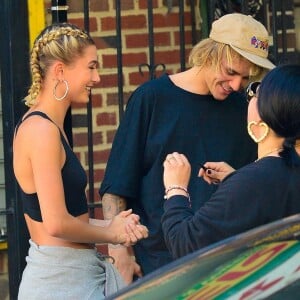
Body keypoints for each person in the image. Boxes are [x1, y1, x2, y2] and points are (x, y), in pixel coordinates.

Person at [99, 13, 275, 281]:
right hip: (159, 266)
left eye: (245, 77)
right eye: (230, 72)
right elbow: (117, 187)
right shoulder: (152, 99)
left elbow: (255, 189)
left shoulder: (245, 110)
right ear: (209, 54)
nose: (237, 85)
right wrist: (120, 253)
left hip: (227, 265)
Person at [13, 23, 148, 300]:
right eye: (91, 67)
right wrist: (111, 235)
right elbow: (56, 224)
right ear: (60, 70)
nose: (97, 77)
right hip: (58, 284)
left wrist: (116, 226)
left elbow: (68, 217)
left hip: (73, 278)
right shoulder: (41, 131)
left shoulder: (49, 126)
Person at [162, 64, 300, 258]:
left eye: (256, 91)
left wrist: (175, 189)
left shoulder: (255, 182)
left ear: (269, 112)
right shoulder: (263, 178)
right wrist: (236, 178)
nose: (248, 96)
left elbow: (186, 244)